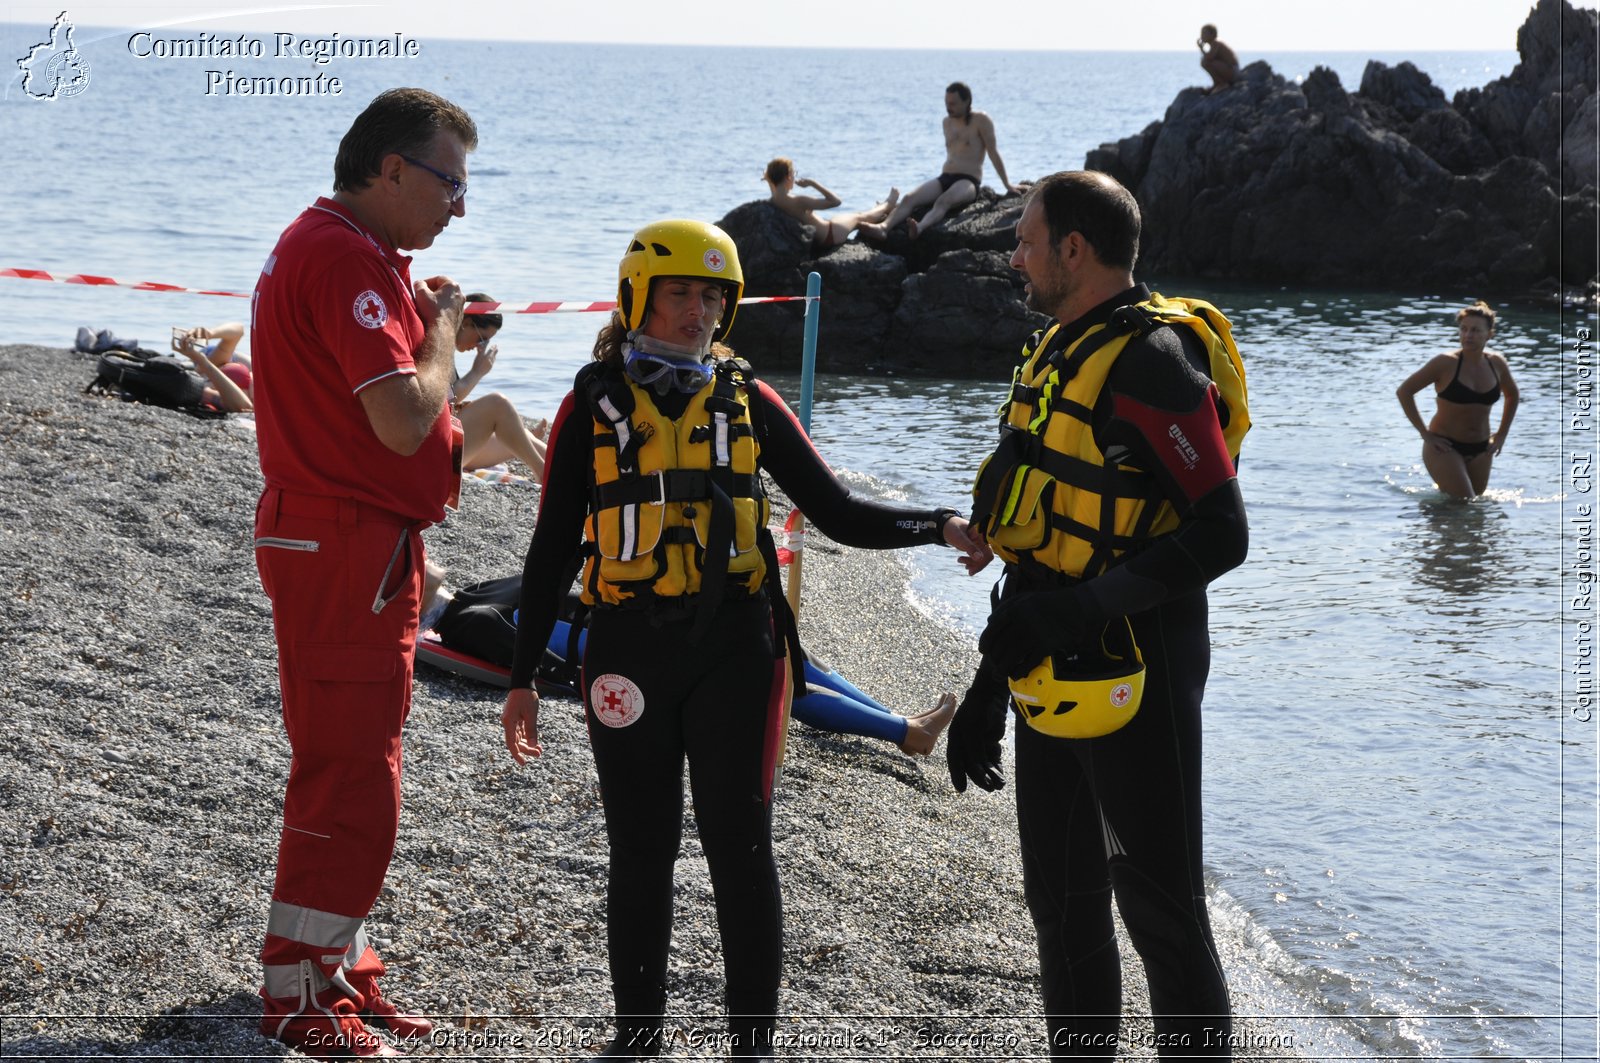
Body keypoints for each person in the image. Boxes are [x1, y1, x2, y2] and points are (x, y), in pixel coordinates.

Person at [500, 219, 990, 1060]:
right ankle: (636, 1037)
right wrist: (519, 677)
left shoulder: (749, 400)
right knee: (641, 849)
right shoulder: (590, 406)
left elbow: (838, 511)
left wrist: (939, 524)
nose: (700, 311)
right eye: (681, 293)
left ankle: (752, 1045)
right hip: (626, 651)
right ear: (637, 298)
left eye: (713, 296)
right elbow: (549, 552)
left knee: (741, 844)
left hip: (737, 650)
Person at [948, 171, 1249, 1059]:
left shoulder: (1154, 362)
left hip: (1140, 666)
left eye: (1027, 242)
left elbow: (1222, 533)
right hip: (1050, 663)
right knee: (1064, 906)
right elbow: (1042, 551)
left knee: (1162, 913)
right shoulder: (1055, 353)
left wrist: (1082, 611)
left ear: (1074, 251)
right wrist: (985, 689)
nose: (1016, 258)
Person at [249, 86, 478, 1059]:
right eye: (448, 182)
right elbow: (397, 418)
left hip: (344, 536)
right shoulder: (345, 255)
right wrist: (443, 334)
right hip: (343, 541)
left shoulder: (342, 247)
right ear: (391, 171)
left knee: (351, 759)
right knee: (352, 773)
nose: (458, 205)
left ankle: (330, 962)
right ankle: (299, 989)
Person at [857, 81, 1022, 241]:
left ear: (967, 102)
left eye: (953, 103)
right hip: (945, 177)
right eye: (946, 103)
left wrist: (1007, 185)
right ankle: (883, 228)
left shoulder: (981, 120)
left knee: (944, 201)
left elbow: (993, 152)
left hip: (968, 181)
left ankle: (919, 228)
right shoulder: (946, 122)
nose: (948, 107)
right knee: (908, 198)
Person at [1396, 301, 1520, 500]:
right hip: (1444, 446)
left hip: (1482, 448)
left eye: (1475, 330)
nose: (1468, 335)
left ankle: (1436, 523)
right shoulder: (1445, 363)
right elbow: (1404, 391)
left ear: (1489, 334)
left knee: (1474, 509)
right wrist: (1425, 434)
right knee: (1464, 503)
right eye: (1464, 329)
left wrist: (1502, 435)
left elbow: (1512, 395)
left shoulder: (1496, 363)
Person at [451, 296, 548, 476]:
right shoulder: (439, 344)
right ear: (466, 322)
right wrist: (477, 372)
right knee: (498, 405)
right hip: (435, 448)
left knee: (520, 435)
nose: (480, 347)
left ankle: (568, 471)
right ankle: (543, 474)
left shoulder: (444, 345)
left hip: (446, 440)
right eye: (482, 339)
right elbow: (443, 398)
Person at [762, 157, 899, 251]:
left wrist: (769, 178)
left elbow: (774, 185)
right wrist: (812, 184)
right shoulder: (799, 201)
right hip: (831, 234)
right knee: (859, 217)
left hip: (824, 236)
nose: (795, 177)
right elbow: (835, 201)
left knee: (857, 217)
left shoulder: (773, 200)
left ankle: (880, 209)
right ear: (788, 176)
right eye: (794, 173)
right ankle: (888, 204)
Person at [172, 326, 253, 413]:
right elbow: (239, 330)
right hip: (214, 365)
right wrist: (209, 334)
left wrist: (210, 334)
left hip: (208, 368)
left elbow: (239, 331)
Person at [1197, 24, 1240, 92]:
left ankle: (1221, 84)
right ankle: (1217, 84)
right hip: (1230, 71)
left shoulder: (1215, 44)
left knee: (1205, 62)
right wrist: (1201, 49)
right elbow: (1209, 57)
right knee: (1205, 62)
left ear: (1212, 34)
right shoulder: (1214, 44)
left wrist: (1201, 49)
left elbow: (1209, 58)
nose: (1202, 36)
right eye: (1201, 33)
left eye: (1204, 33)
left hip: (1233, 71)